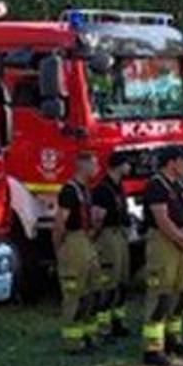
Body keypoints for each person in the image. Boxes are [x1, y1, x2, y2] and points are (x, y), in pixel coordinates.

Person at [139, 146, 183, 365]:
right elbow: (161, 218)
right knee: (161, 294)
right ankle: (153, 348)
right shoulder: (157, 185)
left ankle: (174, 338)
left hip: (182, 240)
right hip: (164, 242)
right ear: (172, 163)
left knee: (180, 292)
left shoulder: (180, 185)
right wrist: (180, 237)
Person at [53, 152, 103, 354]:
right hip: (74, 242)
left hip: (86, 241)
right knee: (75, 294)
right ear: (84, 166)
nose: (97, 168)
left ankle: (88, 334)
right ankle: (72, 342)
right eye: (95, 164)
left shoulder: (85, 190)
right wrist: (60, 249)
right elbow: (59, 223)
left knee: (91, 291)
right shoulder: (69, 190)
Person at [93, 156, 135, 340]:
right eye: (127, 163)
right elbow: (97, 218)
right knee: (108, 282)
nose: (130, 166)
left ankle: (118, 321)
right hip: (108, 236)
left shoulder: (118, 186)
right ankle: (103, 326)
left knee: (122, 281)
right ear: (118, 166)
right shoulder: (103, 189)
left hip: (120, 234)